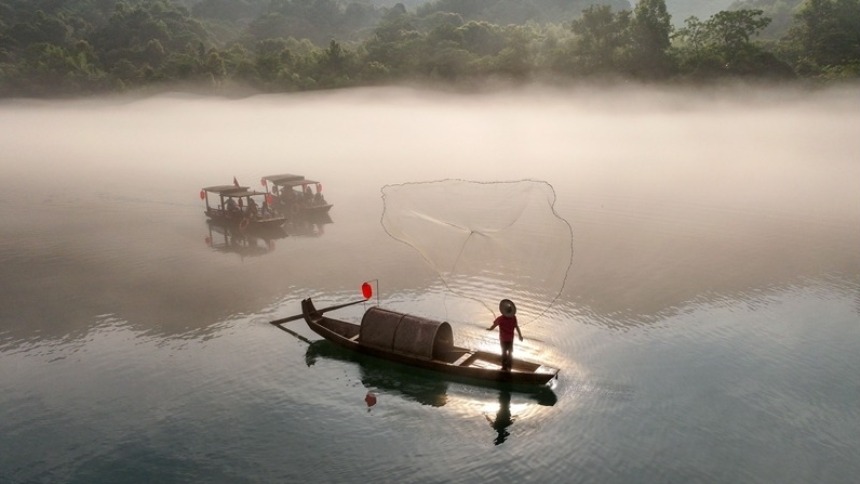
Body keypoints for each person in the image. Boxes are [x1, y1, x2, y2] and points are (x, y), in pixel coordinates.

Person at [487, 299, 522, 371]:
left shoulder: (500, 319)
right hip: (510, 339)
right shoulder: (513, 318)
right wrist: (520, 336)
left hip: (503, 339)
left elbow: (494, 326)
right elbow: (517, 327)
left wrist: (490, 329)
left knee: (504, 352)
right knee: (510, 352)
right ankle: (509, 366)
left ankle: (504, 367)